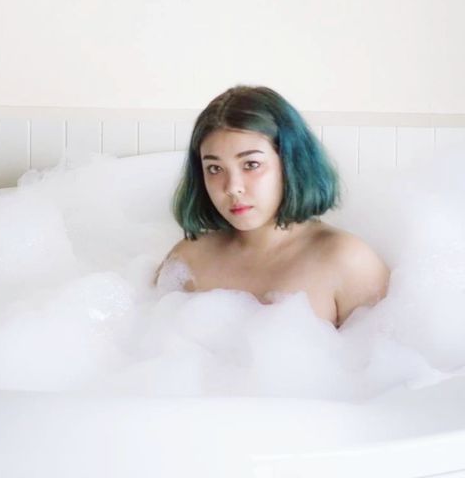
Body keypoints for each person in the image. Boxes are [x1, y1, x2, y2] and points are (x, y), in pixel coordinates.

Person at [156, 86, 389, 328]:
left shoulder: (348, 261)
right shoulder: (187, 259)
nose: (232, 187)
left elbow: (383, 359)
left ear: (290, 164)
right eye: (215, 169)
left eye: (251, 164)